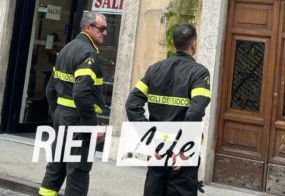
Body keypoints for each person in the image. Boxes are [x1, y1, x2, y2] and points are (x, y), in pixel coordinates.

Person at [126, 24, 211, 196]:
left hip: (157, 148)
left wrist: (148, 140)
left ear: (173, 42)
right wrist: (184, 147)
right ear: (194, 44)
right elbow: (195, 111)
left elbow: (132, 104)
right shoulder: (199, 73)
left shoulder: (154, 69)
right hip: (182, 154)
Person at [39, 11, 108, 196]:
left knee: (56, 167)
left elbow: (50, 89)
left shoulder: (66, 49)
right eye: (101, 28)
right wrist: (92, 126)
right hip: (79, 121)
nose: (105, 33)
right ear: (87, 28)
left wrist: (58, 114)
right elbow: (81, 93)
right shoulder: (89, 54)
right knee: (78, 172)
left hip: (63, 117)